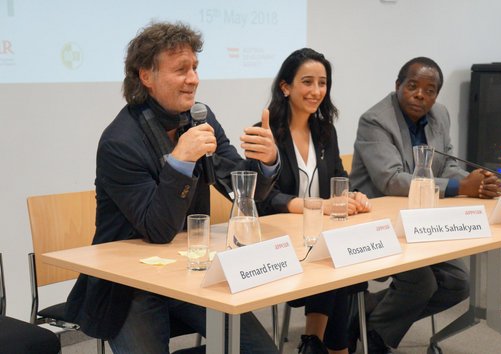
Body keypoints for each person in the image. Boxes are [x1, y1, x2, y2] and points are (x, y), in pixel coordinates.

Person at [64, 21, 280, 354]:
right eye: (181, 70)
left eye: (194, 68)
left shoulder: (199, 117)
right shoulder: (119, 142)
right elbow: (157, 229)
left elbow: (239, 191)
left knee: (260, 350)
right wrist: (179, 163)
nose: (193, 79)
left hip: (190, 268)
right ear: (146, 76)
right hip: (128, 285)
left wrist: (265, 163)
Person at [348, 57, 501, 353]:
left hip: (423, 221)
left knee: (458, 283)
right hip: (377, 222)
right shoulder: (375, 120)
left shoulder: (440, 116)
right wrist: (461, 186)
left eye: (430, 90)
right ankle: (377, 339)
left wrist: (477, 182)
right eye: (413, 86)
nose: (421, 95)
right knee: (421, 283)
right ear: (398, 87)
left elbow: (445, 167)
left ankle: (366, 316)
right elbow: (391, 180)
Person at [256, 48, 371, 354]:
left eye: (323, 83)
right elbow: (265, 199)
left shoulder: (325, 132)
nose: (317, 91)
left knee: (339, 256)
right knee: (336, 259)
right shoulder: (266, 135)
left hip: (318, 239)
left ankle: (314, 343)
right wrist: (319, 205)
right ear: (285, 87)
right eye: (307, 82)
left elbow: (339, 178)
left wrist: (350, 196)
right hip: (282, 241)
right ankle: (330, 347)